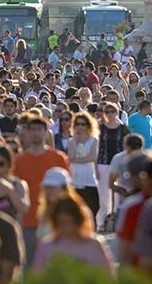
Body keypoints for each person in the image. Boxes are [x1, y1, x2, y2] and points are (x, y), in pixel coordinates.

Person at [13, 115, 70, 267]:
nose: (36, 133)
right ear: (27, 133)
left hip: (55, 221)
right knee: (30, 269)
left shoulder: (59, 158)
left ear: (46, 133)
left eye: (39, 129)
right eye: (32, 130)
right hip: (28, 221)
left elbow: (68, 191)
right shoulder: (18, 161)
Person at [32, 193, 115, 274]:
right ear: (55, 223)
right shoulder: (47, 246)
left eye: (72, 222)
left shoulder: (95, 244)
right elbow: (37, 278)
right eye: (62, 223)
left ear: (80, 220)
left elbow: (109, 275)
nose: (68, 228)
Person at [66, 112, 100, 220]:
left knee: (92, 206)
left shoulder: (93, 140)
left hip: (89, 177)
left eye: (83, 124)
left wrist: (77, 160)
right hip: (75, 177)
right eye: (77, 124)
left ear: (88, 126)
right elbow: (70, 157)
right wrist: (76, 139)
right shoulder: (72, 141)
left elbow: (93, 156)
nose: (80, 127)